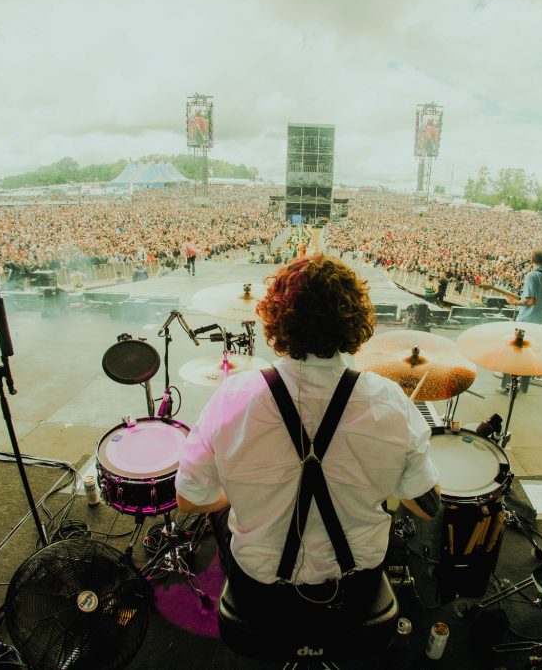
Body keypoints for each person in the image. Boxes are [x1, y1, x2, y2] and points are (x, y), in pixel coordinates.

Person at [175, 255, 440, 601]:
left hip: (260, 583)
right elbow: (427, 507)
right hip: (356, 582)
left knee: (222, 513)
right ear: (355, 323)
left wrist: (243, 494)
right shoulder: (390, 401)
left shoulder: (233, 397)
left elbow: (189, 499)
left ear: (276, 320)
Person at [501, 249, 542, 395]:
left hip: (526, 321)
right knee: (531, 355)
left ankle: (507, 386)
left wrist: (514, 303)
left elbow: (530, 301)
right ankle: (524, 387)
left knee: (514, 352)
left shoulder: (532, 275)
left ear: (533, 260)